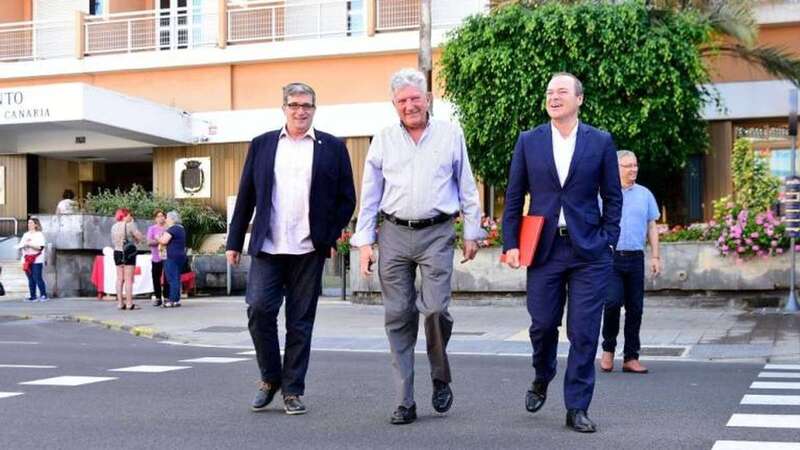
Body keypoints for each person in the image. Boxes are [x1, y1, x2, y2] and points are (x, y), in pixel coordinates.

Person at [351, 68, 484, 425]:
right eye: (402, 100)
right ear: (394, 105)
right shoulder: (383, 140)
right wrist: (365, 242)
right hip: (393, 233)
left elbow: (467, 185)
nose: (410, 105)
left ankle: (440, 377)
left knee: (436, 309)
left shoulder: (450, 134)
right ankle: (404, 400)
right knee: (398, 317)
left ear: (428, 99)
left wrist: (472, 231)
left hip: (437, 232)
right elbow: (370, 195)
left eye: (415, 98)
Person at [501, 72, 622, 433]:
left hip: (589, 251)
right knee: (541, 324)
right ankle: (542, 373)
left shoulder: (599, 141)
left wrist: (608, 239)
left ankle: (577, 407)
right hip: (544, 249)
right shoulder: (529, 141)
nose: (554, 97)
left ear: (579, 99)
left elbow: (613, 197)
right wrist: (510, 243)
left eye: (562, 92)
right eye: (550, 92)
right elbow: (513, 195)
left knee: (584, 332)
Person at [226, 82, 356, 415]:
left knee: (300, 323)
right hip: (268, 247)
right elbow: (247, 196)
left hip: (308, 250)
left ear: (315, 108)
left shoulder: (333, 148)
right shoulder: (263, 145)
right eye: (295, 104)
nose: (301, 111)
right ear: (283, 107)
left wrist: (326, 235)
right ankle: (270, 377)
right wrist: (234, 241)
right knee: (258, 310)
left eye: (307, 105)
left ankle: (292, 390)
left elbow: (347, 200)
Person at [600, 150, 661, 374]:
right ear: (616, 168)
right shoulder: (604, 195)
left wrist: (655, 256)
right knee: (612, 303)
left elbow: (652, 226)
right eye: (628, 166)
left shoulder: (645, 194)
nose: (633, 169)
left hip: (636, 258)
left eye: (635, 165)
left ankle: (631, 357)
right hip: (612, 258)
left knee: (636, 309)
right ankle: (608, 350)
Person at [110, 208, 144, 310]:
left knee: (119, 279)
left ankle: (120, 303)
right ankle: (129, 303)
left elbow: (113, 240)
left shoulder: (114, 226)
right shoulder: (130, 225)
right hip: (128, 253)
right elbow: (140, 237)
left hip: (117, 252)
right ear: (125, 215)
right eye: (130, 215)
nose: (131, 217)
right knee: (128, 279)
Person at [158, 210, 187, 308]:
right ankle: (176, 299)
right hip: (180, 255)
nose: (166, 220)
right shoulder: (181, 228)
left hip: (172, 256)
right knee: (176, 278)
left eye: (167, 218)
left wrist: (158, 237)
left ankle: (172, 300)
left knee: (172, 278)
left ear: (172, 219)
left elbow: (164, 240)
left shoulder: (173, 229)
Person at [17, 217, 47, 302]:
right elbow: (21, 244)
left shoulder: (39, 234)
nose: (29, 225)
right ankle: (33, 296)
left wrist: (30, 245)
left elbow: (40, 247)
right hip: (27, 259)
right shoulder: (26, 235)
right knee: (30, 278)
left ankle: (43, 295)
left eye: (31, 223)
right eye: (28, 223)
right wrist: (23, 246)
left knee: (37, 277)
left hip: (37, 259)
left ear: (36, 225)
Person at [147, 209, 170, 307]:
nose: (161, 218)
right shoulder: (152, 228)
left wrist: (161, 240)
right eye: (158, 216)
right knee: (156, 277)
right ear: (155, 218)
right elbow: (149, 242)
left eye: (162, 216)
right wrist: (160, 241)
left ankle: (166, 297)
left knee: (167, 278)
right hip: (156, 257)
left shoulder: (168, 228)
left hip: (167, 256)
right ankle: (157, 297)